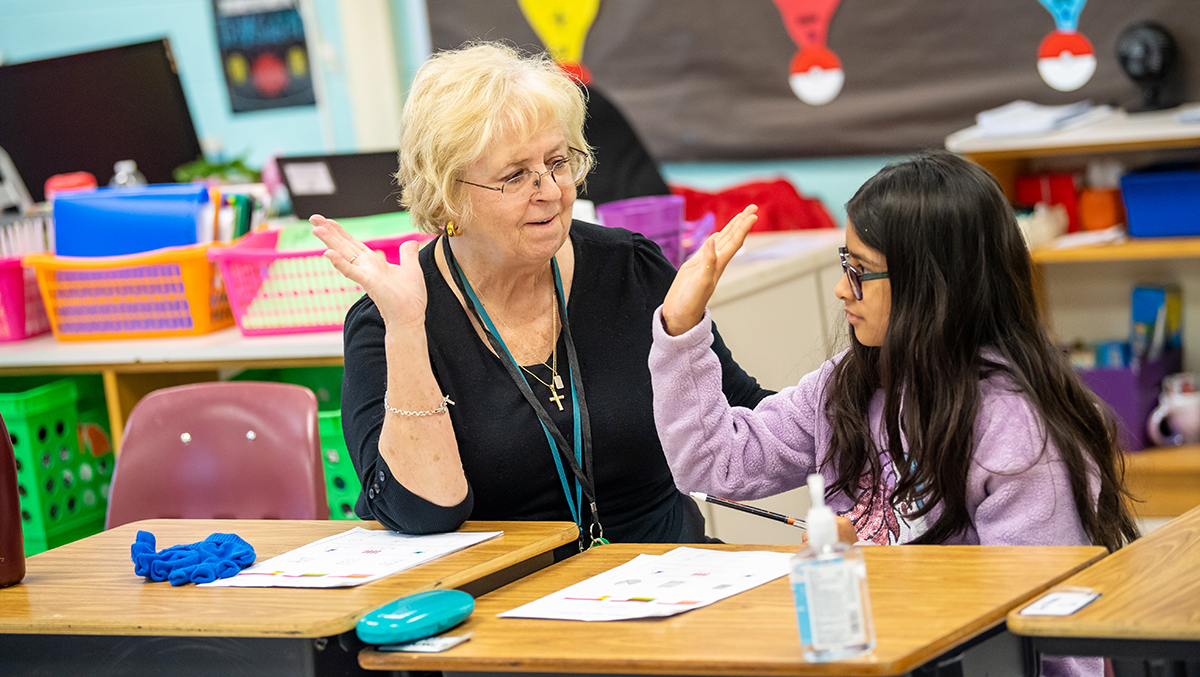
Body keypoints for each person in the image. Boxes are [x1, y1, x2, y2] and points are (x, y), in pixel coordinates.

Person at [648, 151, 1137, 677]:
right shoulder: (848, 386)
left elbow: (1047, 643)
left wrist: (876, 572)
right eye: (843, 264)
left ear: (931, 286)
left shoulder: (1018, 436)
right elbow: (712, 464)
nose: (841, 288)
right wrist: (681, 325)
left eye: (858, 271)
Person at [311, 41, 768, 554]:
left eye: (557, 162)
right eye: (515, 176)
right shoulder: (387, 319)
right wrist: (407, 326)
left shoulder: (630, 270)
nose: (549, 191)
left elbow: (742, 411)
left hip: (670, 580)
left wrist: (856, 403)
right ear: (447, 194)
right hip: (505, 608)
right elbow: (423, 512)